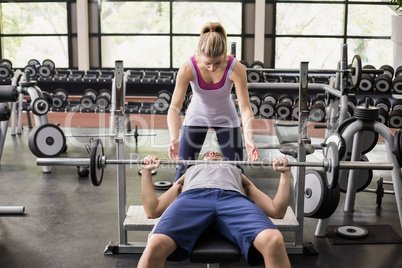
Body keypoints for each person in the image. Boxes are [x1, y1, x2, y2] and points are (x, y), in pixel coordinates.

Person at [137, 152, 292, 268]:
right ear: (202, 160)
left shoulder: (233, 170)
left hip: (233, 200)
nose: (212, 153)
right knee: (156, 243)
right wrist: (146, 171)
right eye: (208, 153)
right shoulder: (191, 171)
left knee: (273, 239)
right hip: (192, 199)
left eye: (217, 153)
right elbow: (153, 210)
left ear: (224, 160)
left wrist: (285, 174)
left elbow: (277, 210)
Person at [167, 22, 259, 181]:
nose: (211, 68)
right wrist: (174, 137)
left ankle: (239, 204)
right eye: (207, 63)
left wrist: (249, 138)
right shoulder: (188, 68)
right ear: (198, 53)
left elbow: (245, 108)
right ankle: (175, 205)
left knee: (237, 170)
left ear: (224, 54)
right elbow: (174, 107)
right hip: (196, 117)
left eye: (217, 63)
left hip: (226, 118)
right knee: (183, 169)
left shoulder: (235, 68)